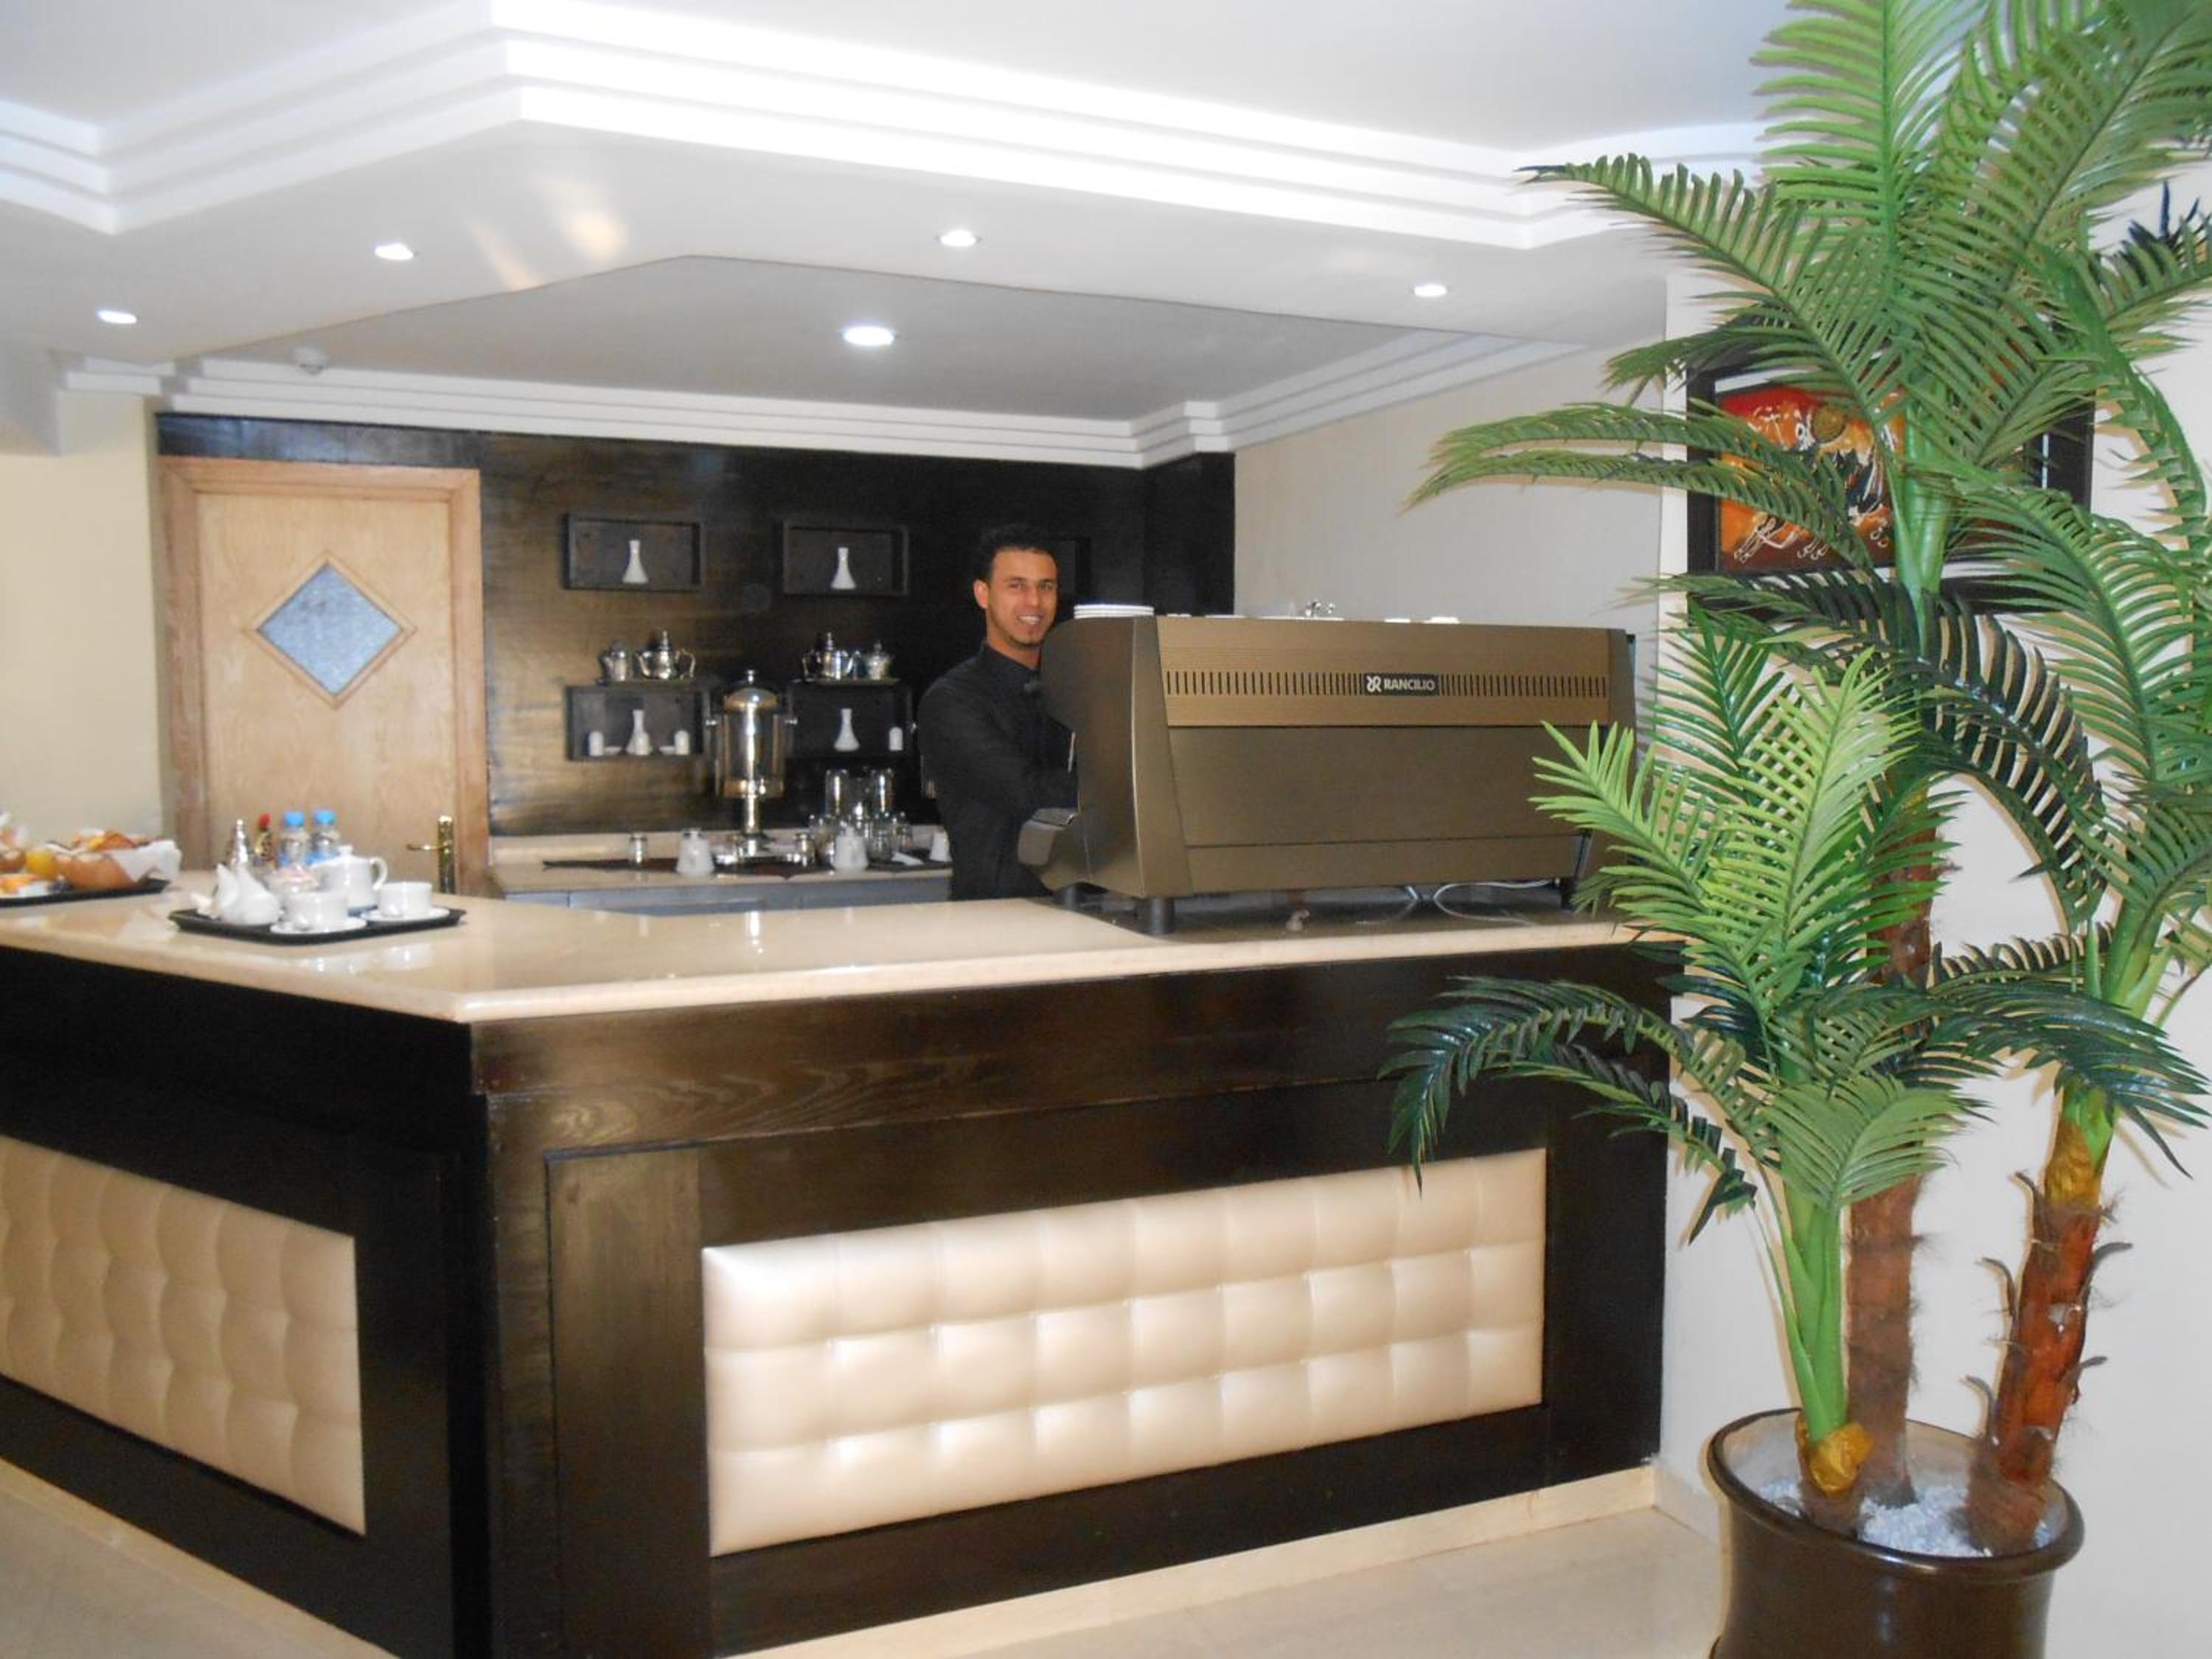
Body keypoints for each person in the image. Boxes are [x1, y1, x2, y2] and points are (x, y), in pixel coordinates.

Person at [919, 526, 1079, 900]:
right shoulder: (951, 699)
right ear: (983, 594)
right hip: (994, 913)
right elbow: (1027, 793)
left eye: (1046, 587)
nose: (1034, 602)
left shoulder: (1076, 689)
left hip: (1083, 908)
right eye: (1016, 586)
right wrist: (1128, 786)